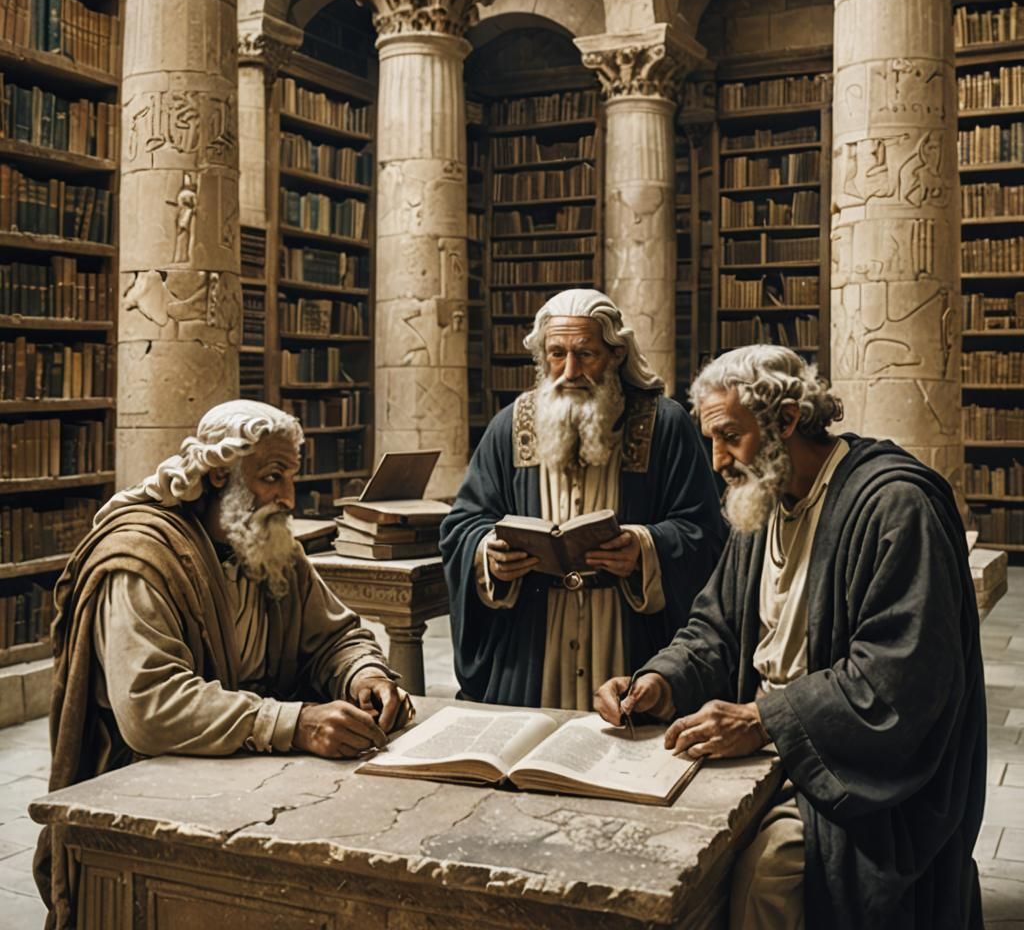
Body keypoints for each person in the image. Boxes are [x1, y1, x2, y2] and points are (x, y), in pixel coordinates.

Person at [594, 345, 986, 929]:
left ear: (786, 421)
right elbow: (715, 629)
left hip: (856, 768)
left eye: (731, 437)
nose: (718, 460)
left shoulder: (894, 505)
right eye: (711, 440)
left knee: (770, 868)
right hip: (776, 740)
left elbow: (898, 678)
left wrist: (764, 720)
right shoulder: (764, 502)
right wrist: (660, 679)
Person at [35, 400, 412, 929]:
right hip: (148, 796)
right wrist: (294, 722)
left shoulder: (270, 542)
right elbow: (151, 707)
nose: (286, 497)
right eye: (271, 478)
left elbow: (335, 636)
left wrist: (363, 673)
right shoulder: (143, 558)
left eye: (290, 477)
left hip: (251, 779)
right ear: (218, 476)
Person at [440, 288, 726, 709]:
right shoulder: (510, 426)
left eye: (586, 354)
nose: (569, 370)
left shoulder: (664, 425)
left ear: (615, 355)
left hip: (629, 639)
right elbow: (462, 525)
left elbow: (704, 530)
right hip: (533, 642)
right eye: (557, 354)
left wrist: (645, 549)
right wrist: (488, 555)